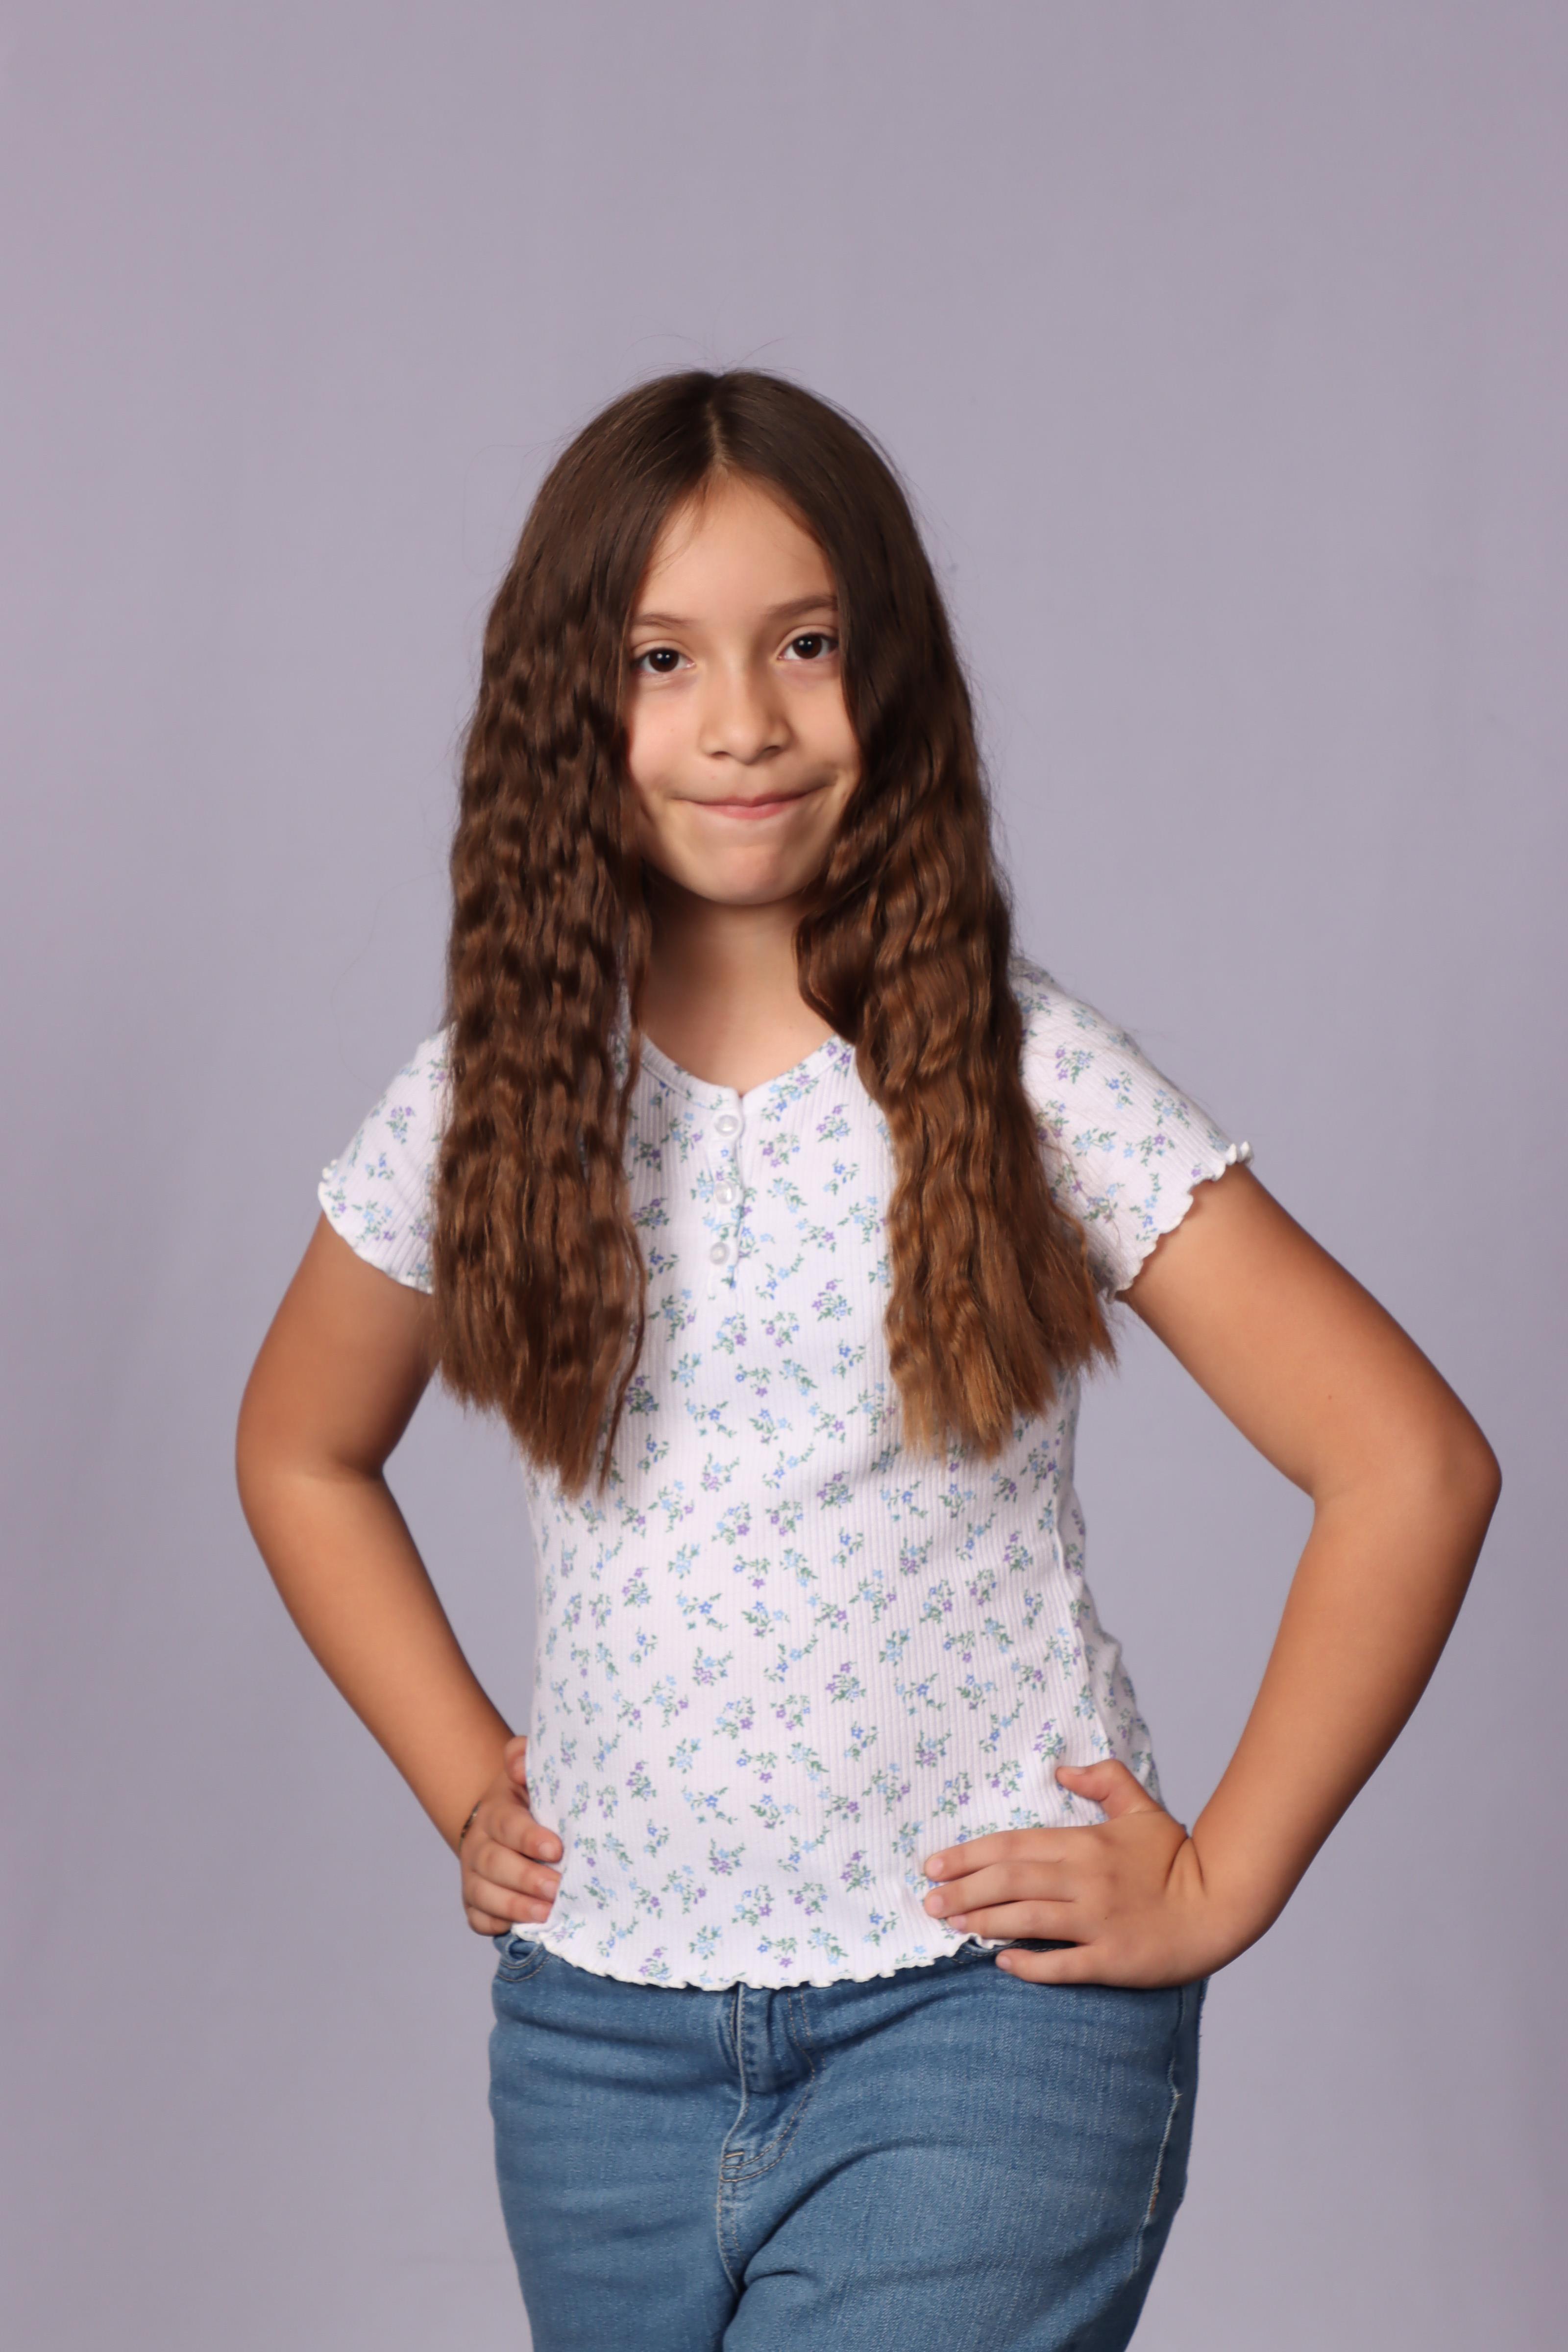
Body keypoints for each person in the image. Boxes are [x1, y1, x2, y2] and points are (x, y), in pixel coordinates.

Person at [234, 369, 1500, 2351]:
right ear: (564, 703)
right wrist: (466, 1780)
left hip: (982, 2024)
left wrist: (1217, 1882)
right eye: (662, 658)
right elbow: (300, 1447)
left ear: (889, 670)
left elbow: (1406, 1464)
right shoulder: (491, 1095)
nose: (744, 718)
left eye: (806, 645)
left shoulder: (1018, 1070)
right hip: (593, 2045)